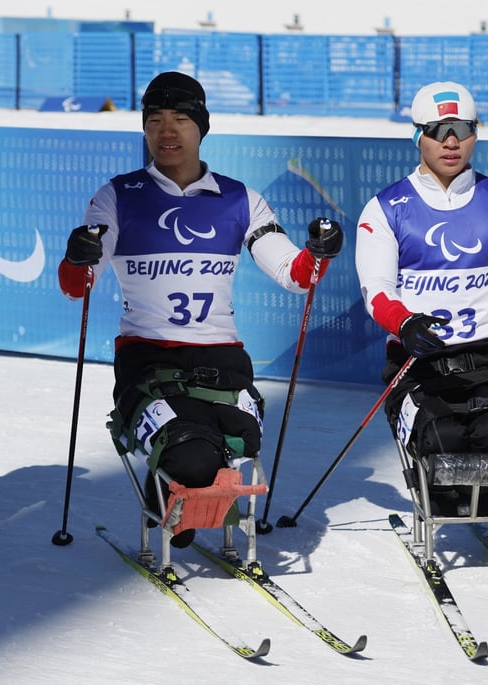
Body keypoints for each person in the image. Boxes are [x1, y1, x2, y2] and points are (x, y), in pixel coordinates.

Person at [57, 71, 343, 547]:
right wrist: (77, 257)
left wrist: (320, 251)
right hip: (148, 361)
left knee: (242, 440)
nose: (167, 132)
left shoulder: (239, 199)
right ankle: (177, 493)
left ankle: (185, 496)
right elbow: (77, 287)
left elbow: (296, 275)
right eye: (155, 121)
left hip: (222, 361)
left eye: (181, 119)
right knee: (190, 456)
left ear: (202, 127)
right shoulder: (118, 196)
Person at [355, 81, 488, 510]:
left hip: (485, 361)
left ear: (475, 134)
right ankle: (447, 493)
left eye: (462, 128)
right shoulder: (386, 208)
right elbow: (377, 292)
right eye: (438, 129)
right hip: (419, 364)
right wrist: (405, 324)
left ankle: (484, 496)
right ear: (416, 136)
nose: (451, 141)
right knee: (443, 439)